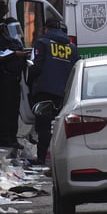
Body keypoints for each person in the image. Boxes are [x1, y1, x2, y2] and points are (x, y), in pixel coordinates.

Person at [28, 17, 79, 165]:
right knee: (61, 127)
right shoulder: (71, 47)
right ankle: (62, 159)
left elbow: (36, 67)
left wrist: (29, 80)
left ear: (46, 29)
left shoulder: (42, 43)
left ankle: (42, 158)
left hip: (44, 90)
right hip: (65, 93)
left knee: (43, 127)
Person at [0, 17, 28, 149]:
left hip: (16, 79)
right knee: (6, 110)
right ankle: (5, 138)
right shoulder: (2, 42)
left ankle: (12, 137)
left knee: (14, 111)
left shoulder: (16, 42)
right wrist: (14, 54)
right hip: (5, 80)